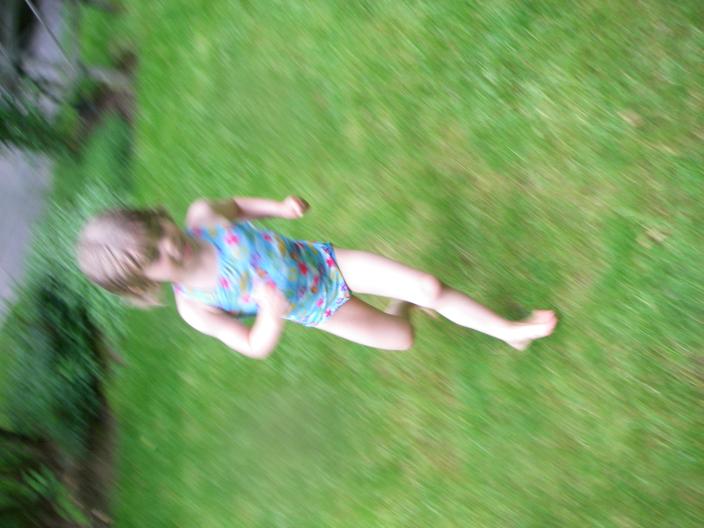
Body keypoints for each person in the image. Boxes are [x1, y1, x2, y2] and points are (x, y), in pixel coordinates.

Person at [76, 195, 558, 359]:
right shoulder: (195, 305)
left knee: (428, 286)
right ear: (143, 283)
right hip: (321, 308)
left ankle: (509, 331)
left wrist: (280, 208)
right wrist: (271, 315)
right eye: (154, 257)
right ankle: (404, 305)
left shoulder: (204, 218)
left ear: (156, 217)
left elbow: (238, 205)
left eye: (158, 233)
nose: (169, 246)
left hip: (326, 263)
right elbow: (252, 346)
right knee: (402, 337)